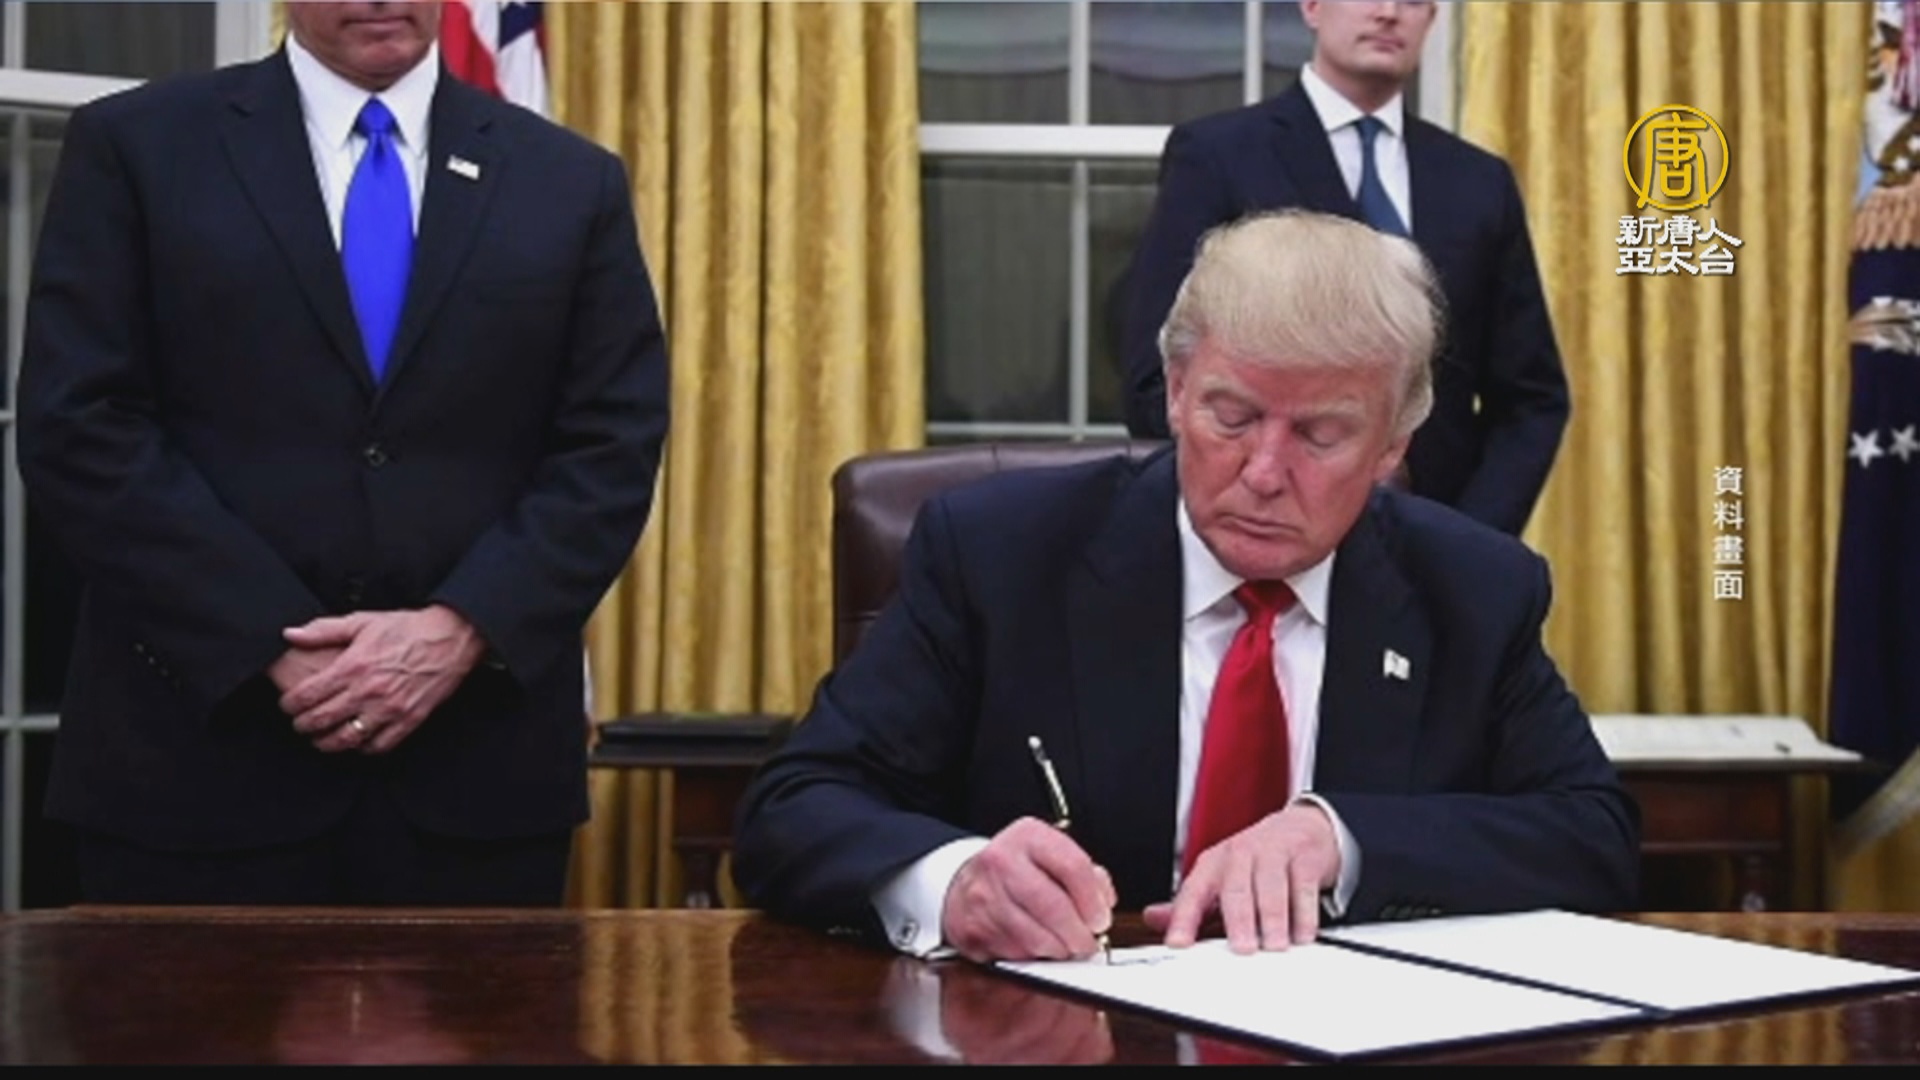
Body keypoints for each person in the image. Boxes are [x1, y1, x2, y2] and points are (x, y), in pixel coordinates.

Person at [732, 210, 1636, 963]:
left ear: (1393, 444)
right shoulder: (1001, 556)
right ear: (1174, 391)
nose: (1264, 473)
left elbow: (1594, 835)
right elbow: (793, 810)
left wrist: (1344, 839)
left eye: (1320, 435)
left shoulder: (1472, 589)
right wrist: (953, 881)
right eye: (1230, 416)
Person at [16, 1, 669, 906]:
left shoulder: (569, 179)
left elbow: (610, 444)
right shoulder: (138, 146)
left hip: (472, 783)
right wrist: (269, 640)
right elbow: (80, 424)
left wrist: (461, 629)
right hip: (197, 771)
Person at [1120, 0, 1568, 536]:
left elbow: (1531, 396)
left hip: (1433, 535)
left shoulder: (1478, 180)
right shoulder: (1221, 154)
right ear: (1312, 7)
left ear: (1431, 20)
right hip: (1258, 527)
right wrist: (1239, 499)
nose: (1388, 13)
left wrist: (1472, 538)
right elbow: (1155, 371)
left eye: (1413, 1)